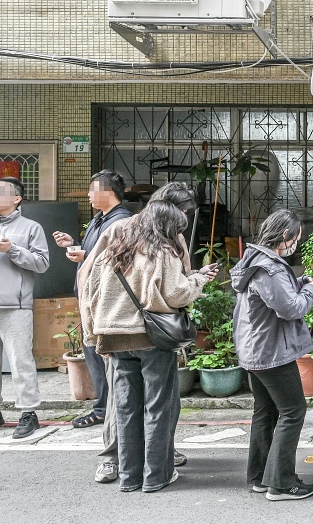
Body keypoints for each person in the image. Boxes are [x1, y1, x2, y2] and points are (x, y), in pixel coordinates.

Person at [81, 200, 216, 493]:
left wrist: (93, 337)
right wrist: (198, 279)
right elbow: (177, 294)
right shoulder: (162, 252)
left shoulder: (114, 250)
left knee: (126, 410)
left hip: (114, 338)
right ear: (167, 226)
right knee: (157, 407)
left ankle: (129, 478)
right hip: (150, 339)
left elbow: (89, 295)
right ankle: (156, 476)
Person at [230, 209, 313, 501]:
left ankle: (260, 476)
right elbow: (291, 308)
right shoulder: (269, 267)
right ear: (285, 236)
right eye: (297, 237)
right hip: (271, 352)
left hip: (255, 349)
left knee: (266, 411)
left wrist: (296, 285)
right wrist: (309, 290)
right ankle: (282, 484)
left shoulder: (254, 260)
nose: (297, 242)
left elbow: (275, 299)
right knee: (293, 411)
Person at [53, 170, 132, 430]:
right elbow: (94, 252)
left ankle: (108, 409)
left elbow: (120, 258)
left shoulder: (122, 221)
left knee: (105, 356)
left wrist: (85, 255)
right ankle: (103, 407)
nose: (88, 194)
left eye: (91, 190)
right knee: (94, 355)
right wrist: (74, 243)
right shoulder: (100, 219)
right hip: (90, 297)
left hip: (104, 299)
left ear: (107, 192)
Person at [0, 177, 49, 439]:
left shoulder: (31, 227)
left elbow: (42, 264)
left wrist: (13, 250)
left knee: (21, 362)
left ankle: (29, 413)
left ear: (17, 198)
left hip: (15, 305)